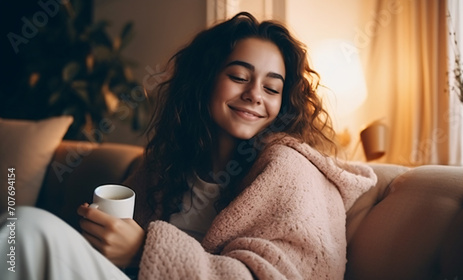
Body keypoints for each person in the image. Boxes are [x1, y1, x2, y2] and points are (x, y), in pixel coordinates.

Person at [0, 12, 376, 279]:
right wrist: (99, 236)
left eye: (272, 87)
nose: (254, 95)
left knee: (28, 229)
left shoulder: (290, 171)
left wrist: (144, 250)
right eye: (239, 76)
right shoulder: (167, 165)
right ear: (205, 81)